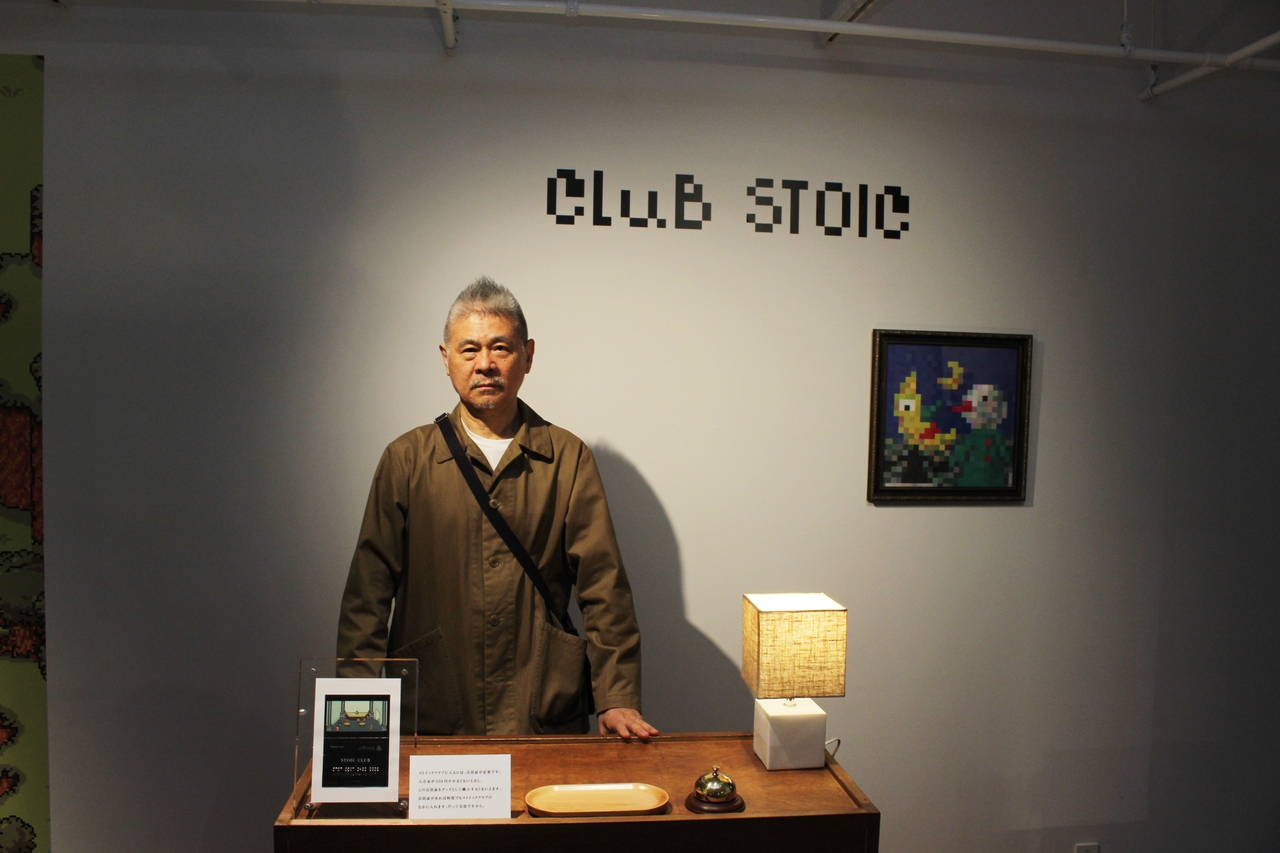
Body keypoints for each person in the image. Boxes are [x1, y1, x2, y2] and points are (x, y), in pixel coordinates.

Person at [337, 277, 657, 741]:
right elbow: (368, 594)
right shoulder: (407, 459)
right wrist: (356, 713)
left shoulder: (567, 459)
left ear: (527, 355)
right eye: (469, 350)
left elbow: (604, 588)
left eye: (500, 348)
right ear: (446, 358)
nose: (485, 364)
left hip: (541, 705)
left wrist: (617, 696)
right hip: (434, 707)